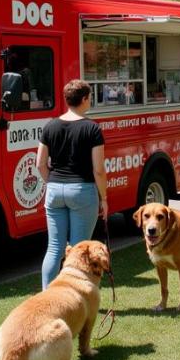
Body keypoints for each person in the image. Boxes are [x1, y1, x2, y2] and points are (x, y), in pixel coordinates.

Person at [36, 79, 107, 288]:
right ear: (84, 99)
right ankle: (76, 295)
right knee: (79, 248)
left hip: (55, 189)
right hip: (82, 190)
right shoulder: (92, 129)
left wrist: (54, 182)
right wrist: (104, 198)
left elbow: (40, 164)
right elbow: (99, 170)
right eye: (90, 97)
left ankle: (47, 294)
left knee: (54, 248)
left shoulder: (50, 125)